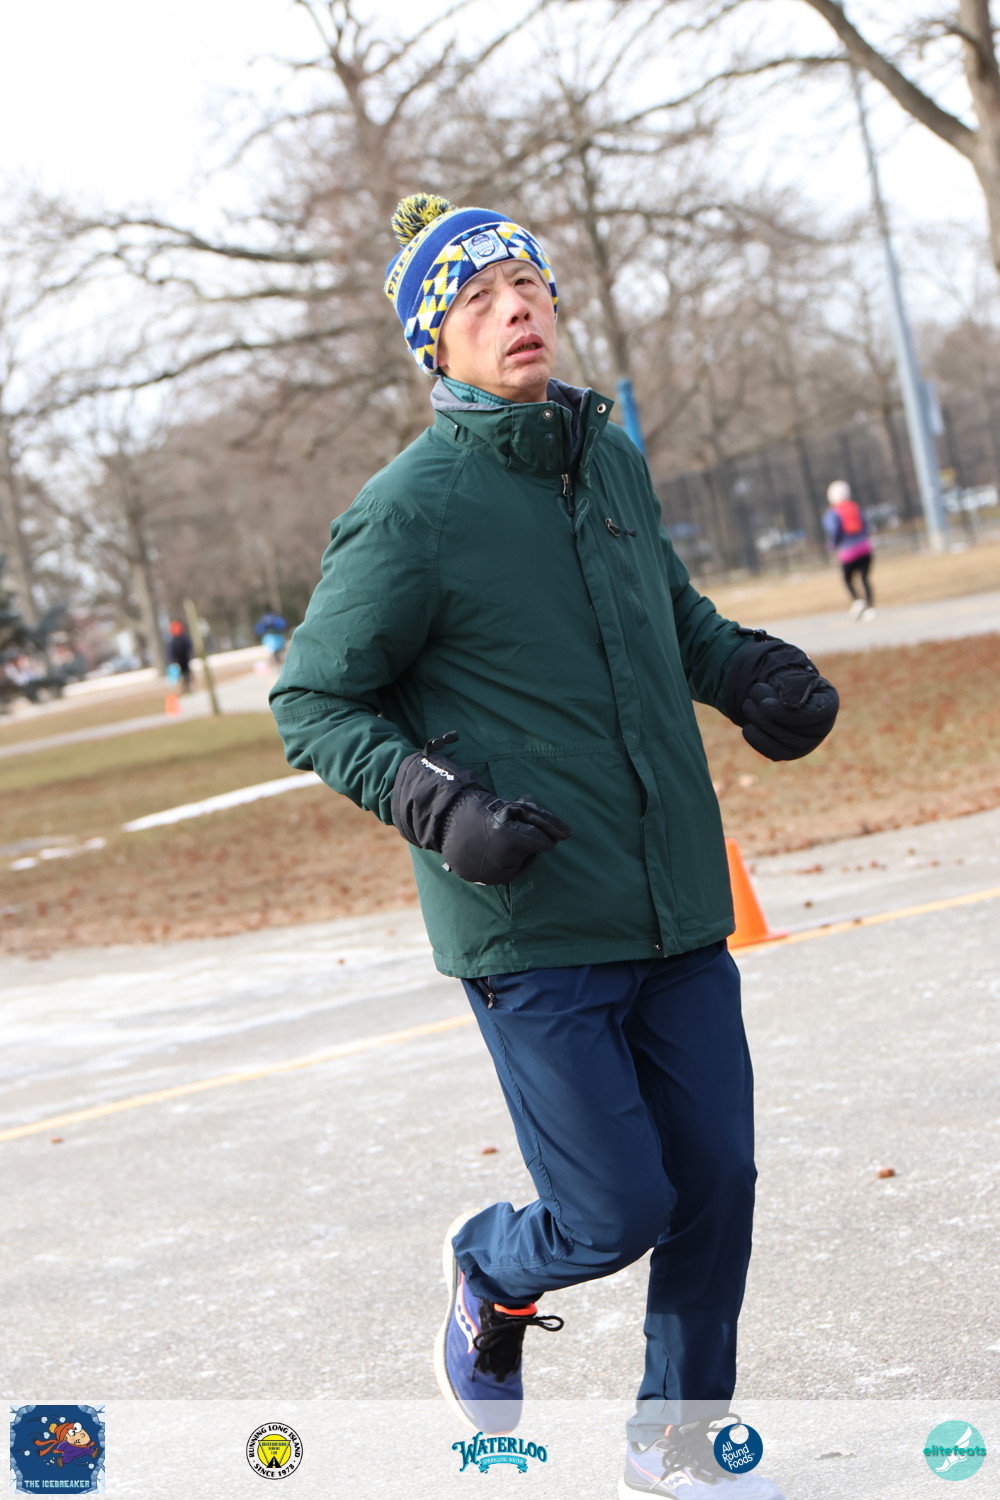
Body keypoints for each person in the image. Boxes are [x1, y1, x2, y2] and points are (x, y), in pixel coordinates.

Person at [270, 194, 839, 1498]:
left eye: (526, 284)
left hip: (675, 906)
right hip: (532, 926)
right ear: (437, 343)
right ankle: (488, 1270)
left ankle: (677, 1445)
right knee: (611, 1211)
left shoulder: (609, 459)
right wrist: (437, 803)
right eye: (477, 298)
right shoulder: (410, 510)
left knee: (717, 1182)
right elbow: (313, 700)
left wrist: (747, 674)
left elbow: (672, 619)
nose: (515, 309)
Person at [823, 479, 875, 620]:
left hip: (848, 552)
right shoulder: (855, 508)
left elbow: (834, 531)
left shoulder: (832, 513)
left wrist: (833, 545)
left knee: (847, 579)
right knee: (865, 578)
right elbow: (866, 526)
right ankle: (870, 607)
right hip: (864, 548)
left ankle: (857, 600)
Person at [166, 620, 194, 692]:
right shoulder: (176, 639)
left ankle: (187, 685)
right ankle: (186, 686)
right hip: (180, 659)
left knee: (185, 672)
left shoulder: (179, 639)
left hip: (183, 658)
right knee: (183, 673)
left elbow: (188, 646)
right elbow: (171, 650)